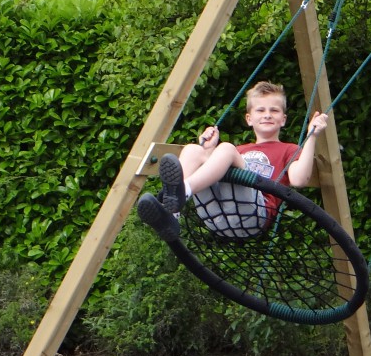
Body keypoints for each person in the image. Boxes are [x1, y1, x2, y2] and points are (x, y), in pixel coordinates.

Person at [137, 80, 329, 240]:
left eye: (274, 110)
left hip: (253, 215)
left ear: (283, 119)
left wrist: (311, 136)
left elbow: (299, 180)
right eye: (260, 110)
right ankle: (173, 213)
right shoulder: (240, 151)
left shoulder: (288, 149)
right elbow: (214, 173)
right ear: (249, 118)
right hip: (216, 215)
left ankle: (182, 191)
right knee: (193, 150)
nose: (268, 114)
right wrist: (208, 149)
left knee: (227, 149)